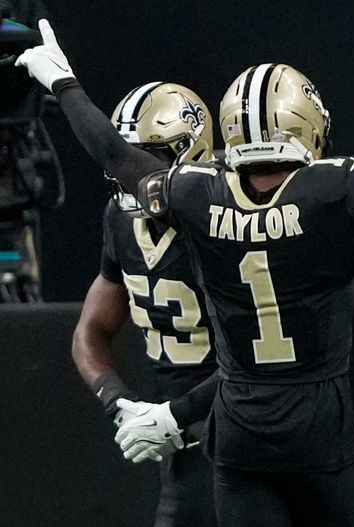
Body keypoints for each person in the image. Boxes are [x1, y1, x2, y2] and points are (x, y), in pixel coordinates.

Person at [18, 18, 354, 526]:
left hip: (237, 435)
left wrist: (63, 82)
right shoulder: (335, 190)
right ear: (306, 126)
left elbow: (115, 156)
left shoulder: (192, 194)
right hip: (319, 431)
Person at [71, 82, 218, 526]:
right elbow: (89, 332)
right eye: (123, 155)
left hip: (244, 434)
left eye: (148, 157)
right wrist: (118, 399)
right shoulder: (119, 220)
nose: (131, 172)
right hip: (179, 446)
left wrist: (173, 416)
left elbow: (257, 360)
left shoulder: (221, 223)